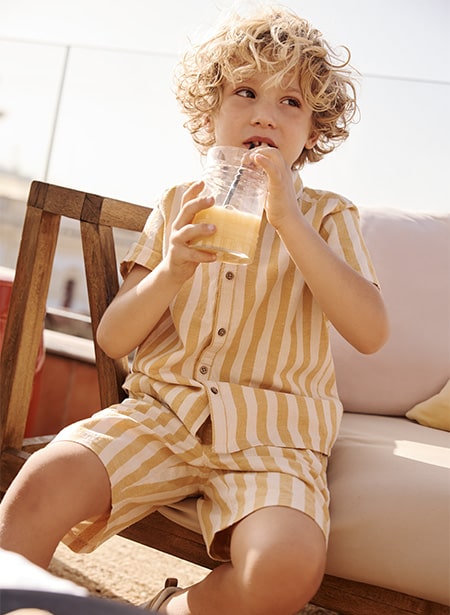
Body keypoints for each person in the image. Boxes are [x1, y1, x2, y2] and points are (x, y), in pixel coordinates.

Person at [0, 5, 389, 614]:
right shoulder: (178, 204)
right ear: (210, 114)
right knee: (40, 484)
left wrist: (289, 221)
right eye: (246, 92)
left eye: (290, 102)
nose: (264, 113)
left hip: (275, 441)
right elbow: (114, 338)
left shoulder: (329, 216)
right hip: (163, 413)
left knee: (286, 568)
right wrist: (170, 270)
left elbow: (370, 333)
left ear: (314, 132)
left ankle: (175, 608)